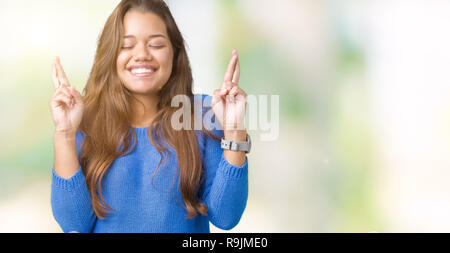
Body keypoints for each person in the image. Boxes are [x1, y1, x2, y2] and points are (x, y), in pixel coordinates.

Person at [49, 0, 250, 233]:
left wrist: (234, 130)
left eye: (155, 44)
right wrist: (64, 134)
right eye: (127, 46)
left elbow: (226, 218)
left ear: (175, 53)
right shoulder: (84, 122)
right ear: (110, 54)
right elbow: (74, 223)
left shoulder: (203, 115)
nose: (142, 54)